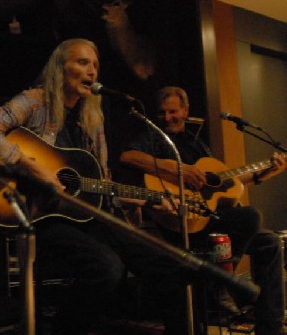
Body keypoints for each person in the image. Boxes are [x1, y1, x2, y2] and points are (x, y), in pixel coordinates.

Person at [0, 38, 208, 335]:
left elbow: (102, 184)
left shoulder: (93, 117)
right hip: (40, 213)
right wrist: (30, 166)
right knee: (106, 268)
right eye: (82, 62)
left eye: (95, 65)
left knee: (167, 261)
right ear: (60, 68)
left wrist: (149, 201)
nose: (91, 72)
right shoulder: (34, 101)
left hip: (86, 212)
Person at [119, 86, 286, 335]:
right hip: (179, 222)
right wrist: (174, 168)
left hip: (209, 222)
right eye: (162, 113)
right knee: (249, 216)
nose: (167, 118)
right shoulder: (154, 136)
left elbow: (221, 186)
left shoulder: (196, 143)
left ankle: (270, 327)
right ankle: (220, 283)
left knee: (269, 242)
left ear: (185, 111)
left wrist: (264, 174)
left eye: (173, 112)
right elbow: (127, 156)